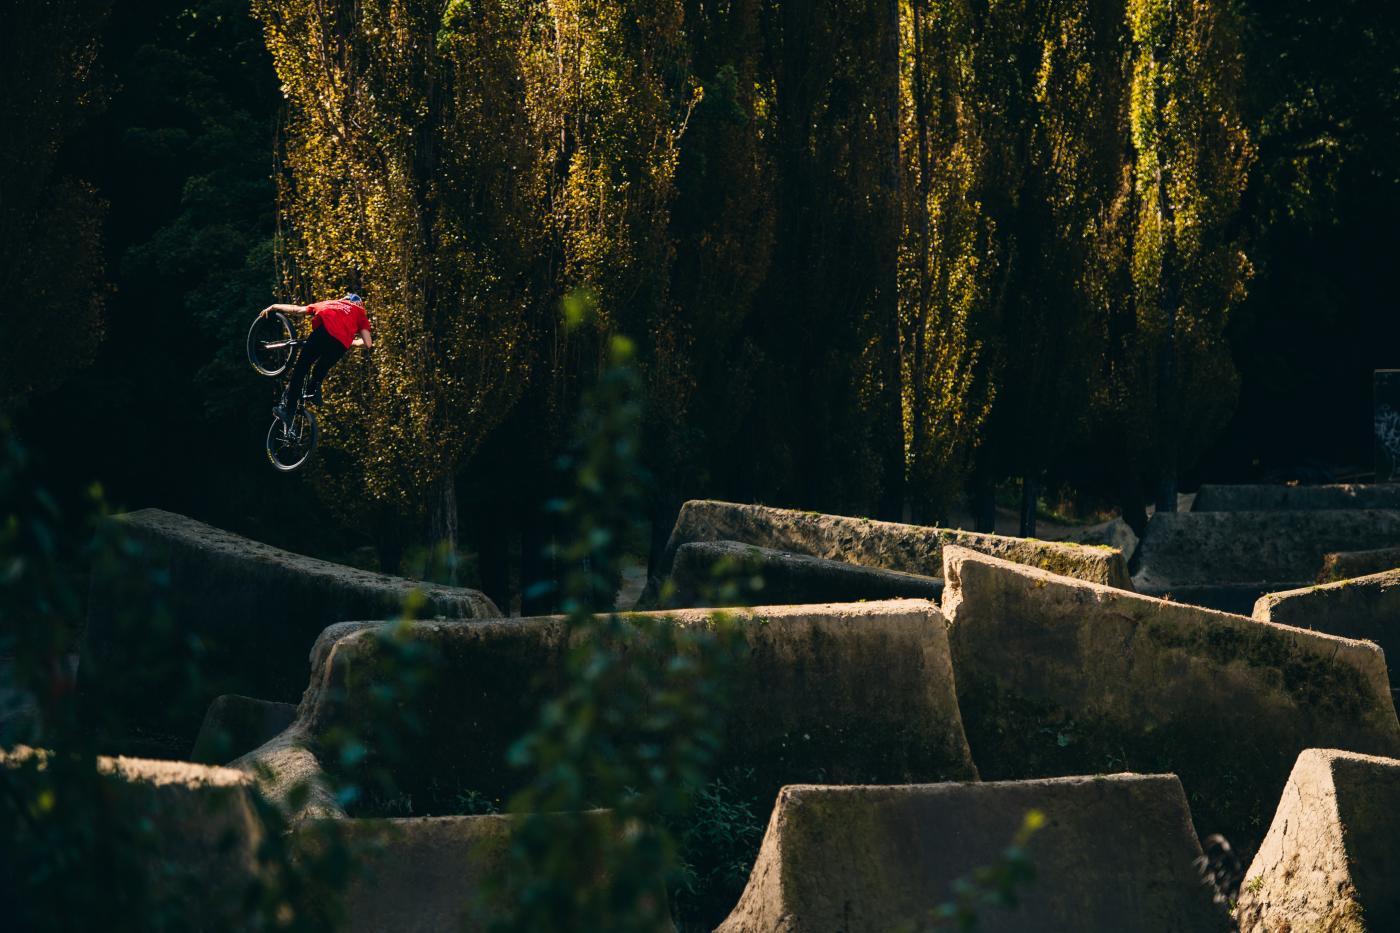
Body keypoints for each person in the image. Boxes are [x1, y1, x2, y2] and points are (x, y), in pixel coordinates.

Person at [260, 293, 372, 421]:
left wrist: (275, 306)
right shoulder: (360, 313)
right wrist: (349, 341)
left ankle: (288, 412)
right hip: (340, 345)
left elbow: (297, 310)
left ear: (344, 300)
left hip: (324, 333)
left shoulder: (330, 303)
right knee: (321, 367)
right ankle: (313, 389)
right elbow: (368, 343)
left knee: (301, 369)